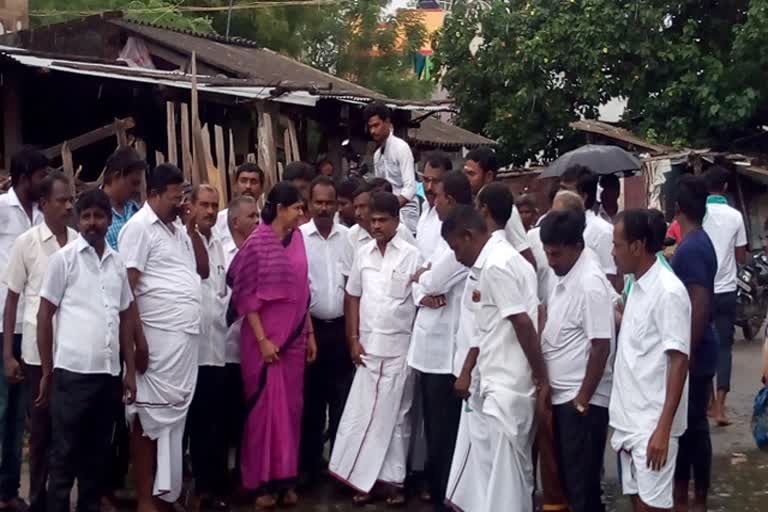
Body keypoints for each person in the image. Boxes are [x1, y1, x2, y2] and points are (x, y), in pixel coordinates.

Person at [36, 188, 137, 512]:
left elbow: (125, 319)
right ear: (78, 221)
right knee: (64, 457)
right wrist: (48, 370)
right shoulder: (62, 261)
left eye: (99, 216)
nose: (92, 223)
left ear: (109, 220)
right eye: (86, 216)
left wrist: (129, 371)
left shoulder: (117, 263)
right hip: (72, 375)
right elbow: (43, 315)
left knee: (97, 459)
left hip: (107, 376)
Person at [441, 205, 546, 512]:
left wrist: (542, 378)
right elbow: (487, 326)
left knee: (508, 481)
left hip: (508, 384)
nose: (456, 256)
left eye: (455, 247)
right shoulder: (499, 260)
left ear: (469, 235)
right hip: (497, 381)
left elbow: (523, 323)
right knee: (501, 478)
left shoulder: (497, 265)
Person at [119, 164, 207, 510]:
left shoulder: (178, 230)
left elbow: (201, 270)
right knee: (146, 418)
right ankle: (144, 498)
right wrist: (138, 341)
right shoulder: (138, 229)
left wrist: (192, 228)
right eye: (175, 197)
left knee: (173, 421)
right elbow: (127, 289)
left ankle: (164, 494)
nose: (180, 203)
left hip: (182, 344)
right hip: (153, 341)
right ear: (153, 195)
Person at [228, 182, 317, 508]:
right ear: (280, 209)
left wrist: (308, 333)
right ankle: (260, 483)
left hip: (294, 339)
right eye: (296, 208)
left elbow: (302, 291)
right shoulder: (258, 242)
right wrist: (264, 341)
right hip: (262, 342)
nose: (301, 214)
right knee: (263, 413)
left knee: (290, 412)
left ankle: (285, 480)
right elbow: (246, 296)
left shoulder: (299, 241)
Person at [329, 192, 421, 506]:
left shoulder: (411, 255)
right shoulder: (363, 253)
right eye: (374, 220)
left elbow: (420, 300)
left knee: (397, 417)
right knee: (364, 414)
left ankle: (393, 482)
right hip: (367, 348)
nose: (377, 225)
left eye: (383, 220)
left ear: (397, 221)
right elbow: (352, 296)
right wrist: (353, 339)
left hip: (400, 348)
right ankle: (361, 479)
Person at [1, 172, 77, 512]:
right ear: (44, 204)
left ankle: (59, 498)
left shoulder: (78, 242)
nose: (69, 206)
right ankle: (38, 498)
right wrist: (7, 354)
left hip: (72, 353)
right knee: (41, 429)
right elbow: (12, 300)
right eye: (61, 200)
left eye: (70, 199)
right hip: (35, 354)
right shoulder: (27, 243)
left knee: (68, 431)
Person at [610, 209, 691, 512]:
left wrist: (663, 429)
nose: (612, 253)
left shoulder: (668, 291)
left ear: (637, 246)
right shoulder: (636, 285)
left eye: (617, 245)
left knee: (654, 507)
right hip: (630, 422)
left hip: (652, 425)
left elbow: (679, 360)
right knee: (639, 504)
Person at [539, 209, 615, 512]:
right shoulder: (564, 275)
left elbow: (601, 346)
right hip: (562, 399)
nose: (550, 260)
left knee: (582, 488)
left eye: (555, 254)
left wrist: (582, 400)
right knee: (570, 486)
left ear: (576, 247)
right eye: (546, 253)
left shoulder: (590, 284)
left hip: (581, 403)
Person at [409, 167, 469, 511]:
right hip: (432, 346)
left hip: (447, 352)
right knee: (433, 427)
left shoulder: (461, 237)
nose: (434, 199)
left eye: (440, 196)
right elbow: (420, 278)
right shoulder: (438, 229)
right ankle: (436, 487)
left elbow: (433, 280)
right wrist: (422, 282)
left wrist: (423, 280)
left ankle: (444, 495)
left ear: (452, 199)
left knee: (444, 431)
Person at [0, 147, 48, 512]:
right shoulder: (3, 208)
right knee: (1, 409)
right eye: (40, 176)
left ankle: (9, 489)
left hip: (31, 324)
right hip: (2, 323)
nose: (45, 181)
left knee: (20, 412)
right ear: (22, 178)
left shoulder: (42, 214)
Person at [298, 177, 354, 484]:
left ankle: (341, 467)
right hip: (312, 330)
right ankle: (309, 465)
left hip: (342, 330)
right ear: (309, 204)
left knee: (342, 400)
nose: (323, 208)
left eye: (328, 202)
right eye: (318, 202)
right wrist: (307, 333)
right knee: (312, 401)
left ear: (336, 205)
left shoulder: (348, 239)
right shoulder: (299, 238)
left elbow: (353, 288)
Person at [668, 175, 718, 512]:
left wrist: (685, 353)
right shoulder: (696, 242)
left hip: (695, 351)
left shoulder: (692, 248)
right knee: (687, 429)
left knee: (694, 428)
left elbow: (699, 303)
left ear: (677, 208)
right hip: (696, 348)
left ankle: (696, 501)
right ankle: (683, 498)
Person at [187, 185, 231, 510]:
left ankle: (212, 488)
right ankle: (193, 490)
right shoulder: (182, 243)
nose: (210, 211)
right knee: (194, 425)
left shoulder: (219, 244)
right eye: (204, 204)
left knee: (214, 424)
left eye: (214, 205)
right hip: (192, 353)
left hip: (219, 349)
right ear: (190, 206)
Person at [702, 166, 747, 427]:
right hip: (727, 290)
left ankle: (707, 402)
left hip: (701, 290)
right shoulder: (735, 216)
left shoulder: (699, 214)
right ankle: (720, 408)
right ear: (726, 188)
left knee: (702, 343)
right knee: (723, 348)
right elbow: (741, 256)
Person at [221, 195, 259, 492]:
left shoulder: (263, 253)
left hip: (254, 351)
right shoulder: (222, 254)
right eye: (252, 217)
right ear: (235, 222)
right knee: (224, 418)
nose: (258, 222)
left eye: (259, 216)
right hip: (224, 349)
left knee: (248, 417)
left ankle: (245, 476)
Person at [462, 147, 536, 268]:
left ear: (489, 176)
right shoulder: (473, 204)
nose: (466, 179)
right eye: (465, 173)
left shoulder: (505, 209)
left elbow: (528, 260)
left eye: (471, 174)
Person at [364, 102, 419, 233]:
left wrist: (389, 208)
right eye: (370, 127)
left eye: (376, 125)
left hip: (406, 213)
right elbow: (379, 188)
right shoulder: (377, 155)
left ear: (387, 122)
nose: (373, 131)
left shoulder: (401, 148)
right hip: (385, 215)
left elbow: (410, 188)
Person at [344, 182, 416, 271]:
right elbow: (350, 277)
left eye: (362, 206)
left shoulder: (401, 231)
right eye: (355, 208)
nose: (357, 213)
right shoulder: (352, 235)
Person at [103, 146, 146, 251]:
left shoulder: (137, 211)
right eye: (133, 183)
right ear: (117, 176)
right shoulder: (92, 214)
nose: (137, 189)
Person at [214, 163, 264, 246]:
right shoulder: (219, 220)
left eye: (253, 182)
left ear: (262, 188)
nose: (248, 186)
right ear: (235, 186)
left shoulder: (267, 222)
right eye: (243, 181)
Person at [415, 151, 452, 260]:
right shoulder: (425, 208)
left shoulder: (448, 215)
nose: (429, 187)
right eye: (426, 180)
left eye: (436, 181)